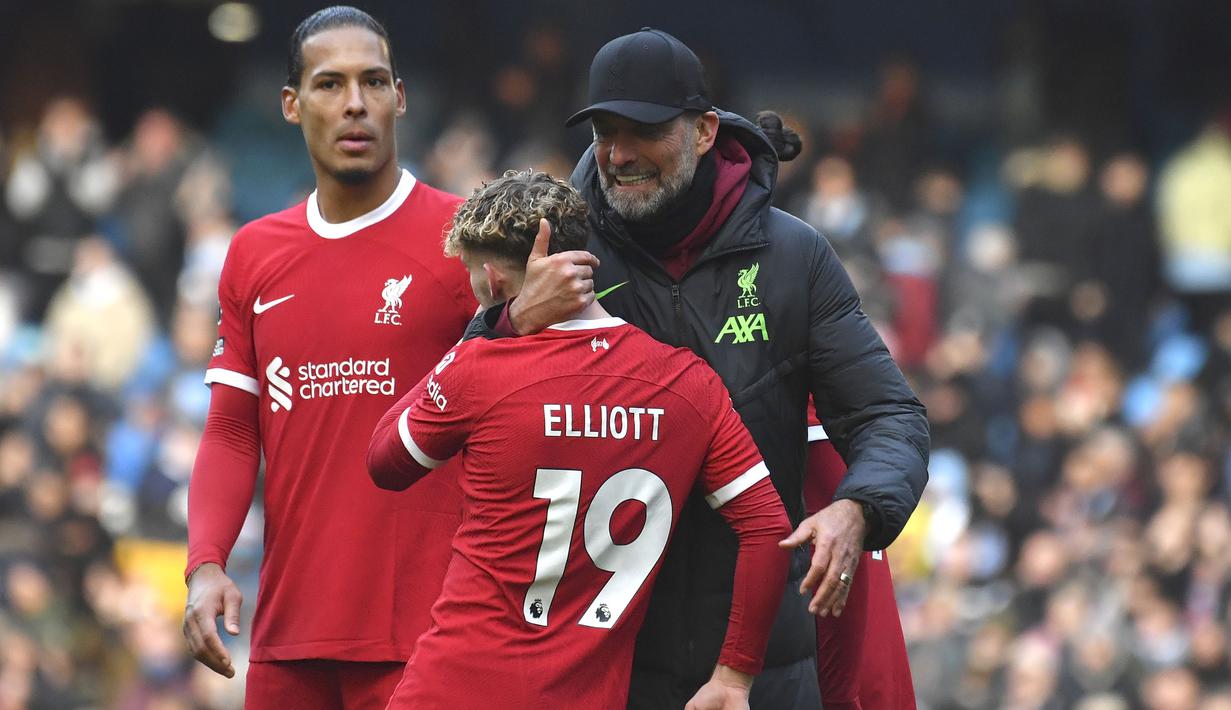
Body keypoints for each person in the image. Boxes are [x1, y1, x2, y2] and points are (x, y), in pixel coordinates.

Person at [180, 8, 596, 708]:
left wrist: (517, 321)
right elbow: (229, 429)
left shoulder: (467, 238)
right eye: (329, 84)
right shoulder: (255, 252)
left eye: (373, 82)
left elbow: (542, 408)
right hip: (290, 635)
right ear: (291, 104)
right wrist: (205, 564)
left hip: (432, 635)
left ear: (399, 96)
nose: (354, 103)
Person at [553, 28, 930, 707]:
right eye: (605, 132)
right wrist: (507, 322)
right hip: (600, 660)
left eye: (642, 132)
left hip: (762, 667)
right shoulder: (558, 256)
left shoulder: (793, 257)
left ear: (702, 131)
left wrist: (857, 509)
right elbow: (464, 400)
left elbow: (888, 414)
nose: (618, 154)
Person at [367, 169, 792, 710]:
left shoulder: (482, 369)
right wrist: (735, 676)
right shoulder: (689, 384)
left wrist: (486, 329)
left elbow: (384, 461)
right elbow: (767, 527)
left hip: (457, 686)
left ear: (493, 280)